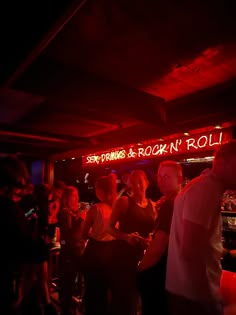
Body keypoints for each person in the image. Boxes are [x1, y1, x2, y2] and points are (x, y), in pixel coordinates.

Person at [166, 140, 236, 315]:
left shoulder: (203, 187)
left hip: (187, 294)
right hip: (194, 298)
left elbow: (200, 245)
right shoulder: (205, 190)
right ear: (221, 162)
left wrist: (225, 253)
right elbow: (190, 251)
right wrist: (208, 300)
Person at [107, 170, 156, 315]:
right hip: (122, 257)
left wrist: (150, 239)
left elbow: (152, 231)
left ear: (146, 183)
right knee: (124, 300)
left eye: (140, 181)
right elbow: (109, 227)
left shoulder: (152, 206)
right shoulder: (124, 202)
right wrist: (126, 237)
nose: (137, 185)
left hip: (142, 258)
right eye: (133, 182)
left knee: (138, 299)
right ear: (129, 185)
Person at [138, 161, 183, 315]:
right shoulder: (179, 200)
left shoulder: (169, 204)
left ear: (179, 180)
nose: (161, 180)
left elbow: (159, 246)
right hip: (174, 273)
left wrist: (140, 269)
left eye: (167, 176)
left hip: (159, 273)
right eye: (160, 176)